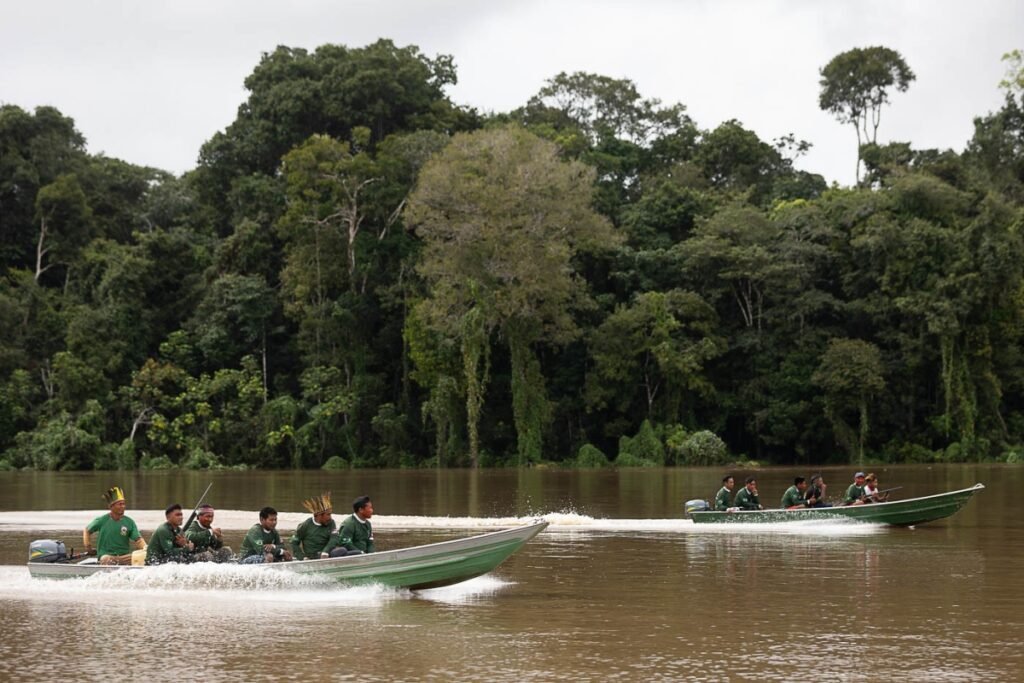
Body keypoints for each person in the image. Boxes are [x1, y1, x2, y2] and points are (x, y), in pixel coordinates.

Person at [82, 486, 146, 565]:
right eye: (120, 504)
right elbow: (87, 530)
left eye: (123, 504)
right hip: (107, 557)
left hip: (124, 557)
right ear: (111, 506)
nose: (123, 506)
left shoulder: (129, 522)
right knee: (106, 559)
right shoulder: (102, 520)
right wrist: (88, 548)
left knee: (143, 557)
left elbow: (138, 540)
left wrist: (146, 548)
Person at [290, 492, 353, 560]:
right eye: (328, 515)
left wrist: (325, 552)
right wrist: (302, 557)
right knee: (342, 550)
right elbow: (294, 542)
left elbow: (334, 539)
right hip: (313, 557)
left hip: (327, 554)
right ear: (319, 515)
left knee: (356, 553)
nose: (330, 517)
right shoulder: (305, 525)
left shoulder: (331, 523)